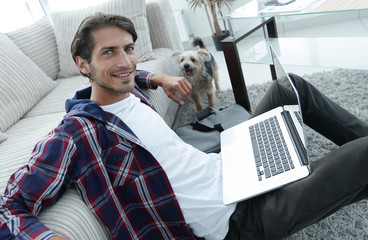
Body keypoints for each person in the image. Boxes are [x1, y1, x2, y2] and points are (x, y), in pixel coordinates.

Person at [1, 12, 368, 240]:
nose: (125, 60)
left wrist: (157, 78)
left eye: (128, 48)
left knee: (290, 88)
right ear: (82, 64)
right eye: (108, 52)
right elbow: (10, 207)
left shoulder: (127, 90)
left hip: (233, 165)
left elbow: (128, 74)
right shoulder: (76, 134)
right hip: (240, 220)